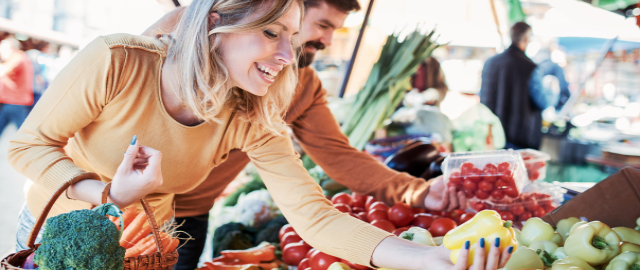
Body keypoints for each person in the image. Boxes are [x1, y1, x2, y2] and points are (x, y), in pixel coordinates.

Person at [9, 1, 511, 269]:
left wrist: (426, 259)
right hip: (57, 234)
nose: (289, 54)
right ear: (214, 23)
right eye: (272, 32)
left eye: (291, 36)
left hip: (148, 253)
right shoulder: (119, 60)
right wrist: (108, 194)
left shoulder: (251, 114)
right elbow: (26, 144)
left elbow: (314, 217)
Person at [144, 1, 465, 269]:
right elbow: (124, 103)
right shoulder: (182, 30)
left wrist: (417, 194)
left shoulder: (291, 92)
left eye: (334, 31)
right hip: (124, 205)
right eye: (323, 25)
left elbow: (337, 162)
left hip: (186, 219)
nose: (327, 40)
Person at [480, 22, 558, 150]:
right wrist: (553, 90)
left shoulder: (490, 63)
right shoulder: (530, 67)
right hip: (519, 139)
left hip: (491, 136)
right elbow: (544, 101)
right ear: (527, 39)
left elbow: (483, 97)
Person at [0, 37, 34, 135]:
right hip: (14, 101)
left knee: (23, 134)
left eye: (3, 49)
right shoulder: (21, 57)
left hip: (15, 101)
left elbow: (2, 72)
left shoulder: (17, 57)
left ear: (13, 49)